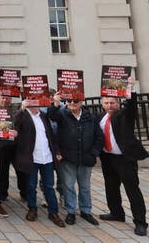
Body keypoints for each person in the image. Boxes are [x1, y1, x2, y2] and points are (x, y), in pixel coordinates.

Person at [98, 77, 147, 236]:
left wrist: (131, 87)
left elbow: (132, 105)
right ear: (102, 104)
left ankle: (140, 222)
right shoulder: (100, 118)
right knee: (111, 188)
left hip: (124, 159)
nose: (109, 106)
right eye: (106, 103)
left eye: (112, 103)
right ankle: (116, 213)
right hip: (107, 158)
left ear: (118, 104)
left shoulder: (124, 116)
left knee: (132, 190)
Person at [48, 92, 103, 226]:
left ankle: (86, 211)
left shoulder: (90, 116)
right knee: (68, 186)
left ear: (82, 101)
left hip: (86, 158)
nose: (72, 102)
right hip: (68, 158)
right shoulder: (61, 115)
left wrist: (93, 153)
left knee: (85, 187)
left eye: (76, 100)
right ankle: (71, 211)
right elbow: (51, 115)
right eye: (69, 100)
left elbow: (99, 137)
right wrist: (55, 103)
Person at [14, 99, 65, 228]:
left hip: (46, 156)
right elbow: (15, 125)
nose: (33, 103)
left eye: (36, 101)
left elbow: (51, 136)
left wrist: (57, 151)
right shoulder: (23, 115)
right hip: (31, 157)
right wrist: (22, 109)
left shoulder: (43, 116)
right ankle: (32, 209)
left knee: (49, 186)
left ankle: (53, 212)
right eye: (31, 101)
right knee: (31, 185)